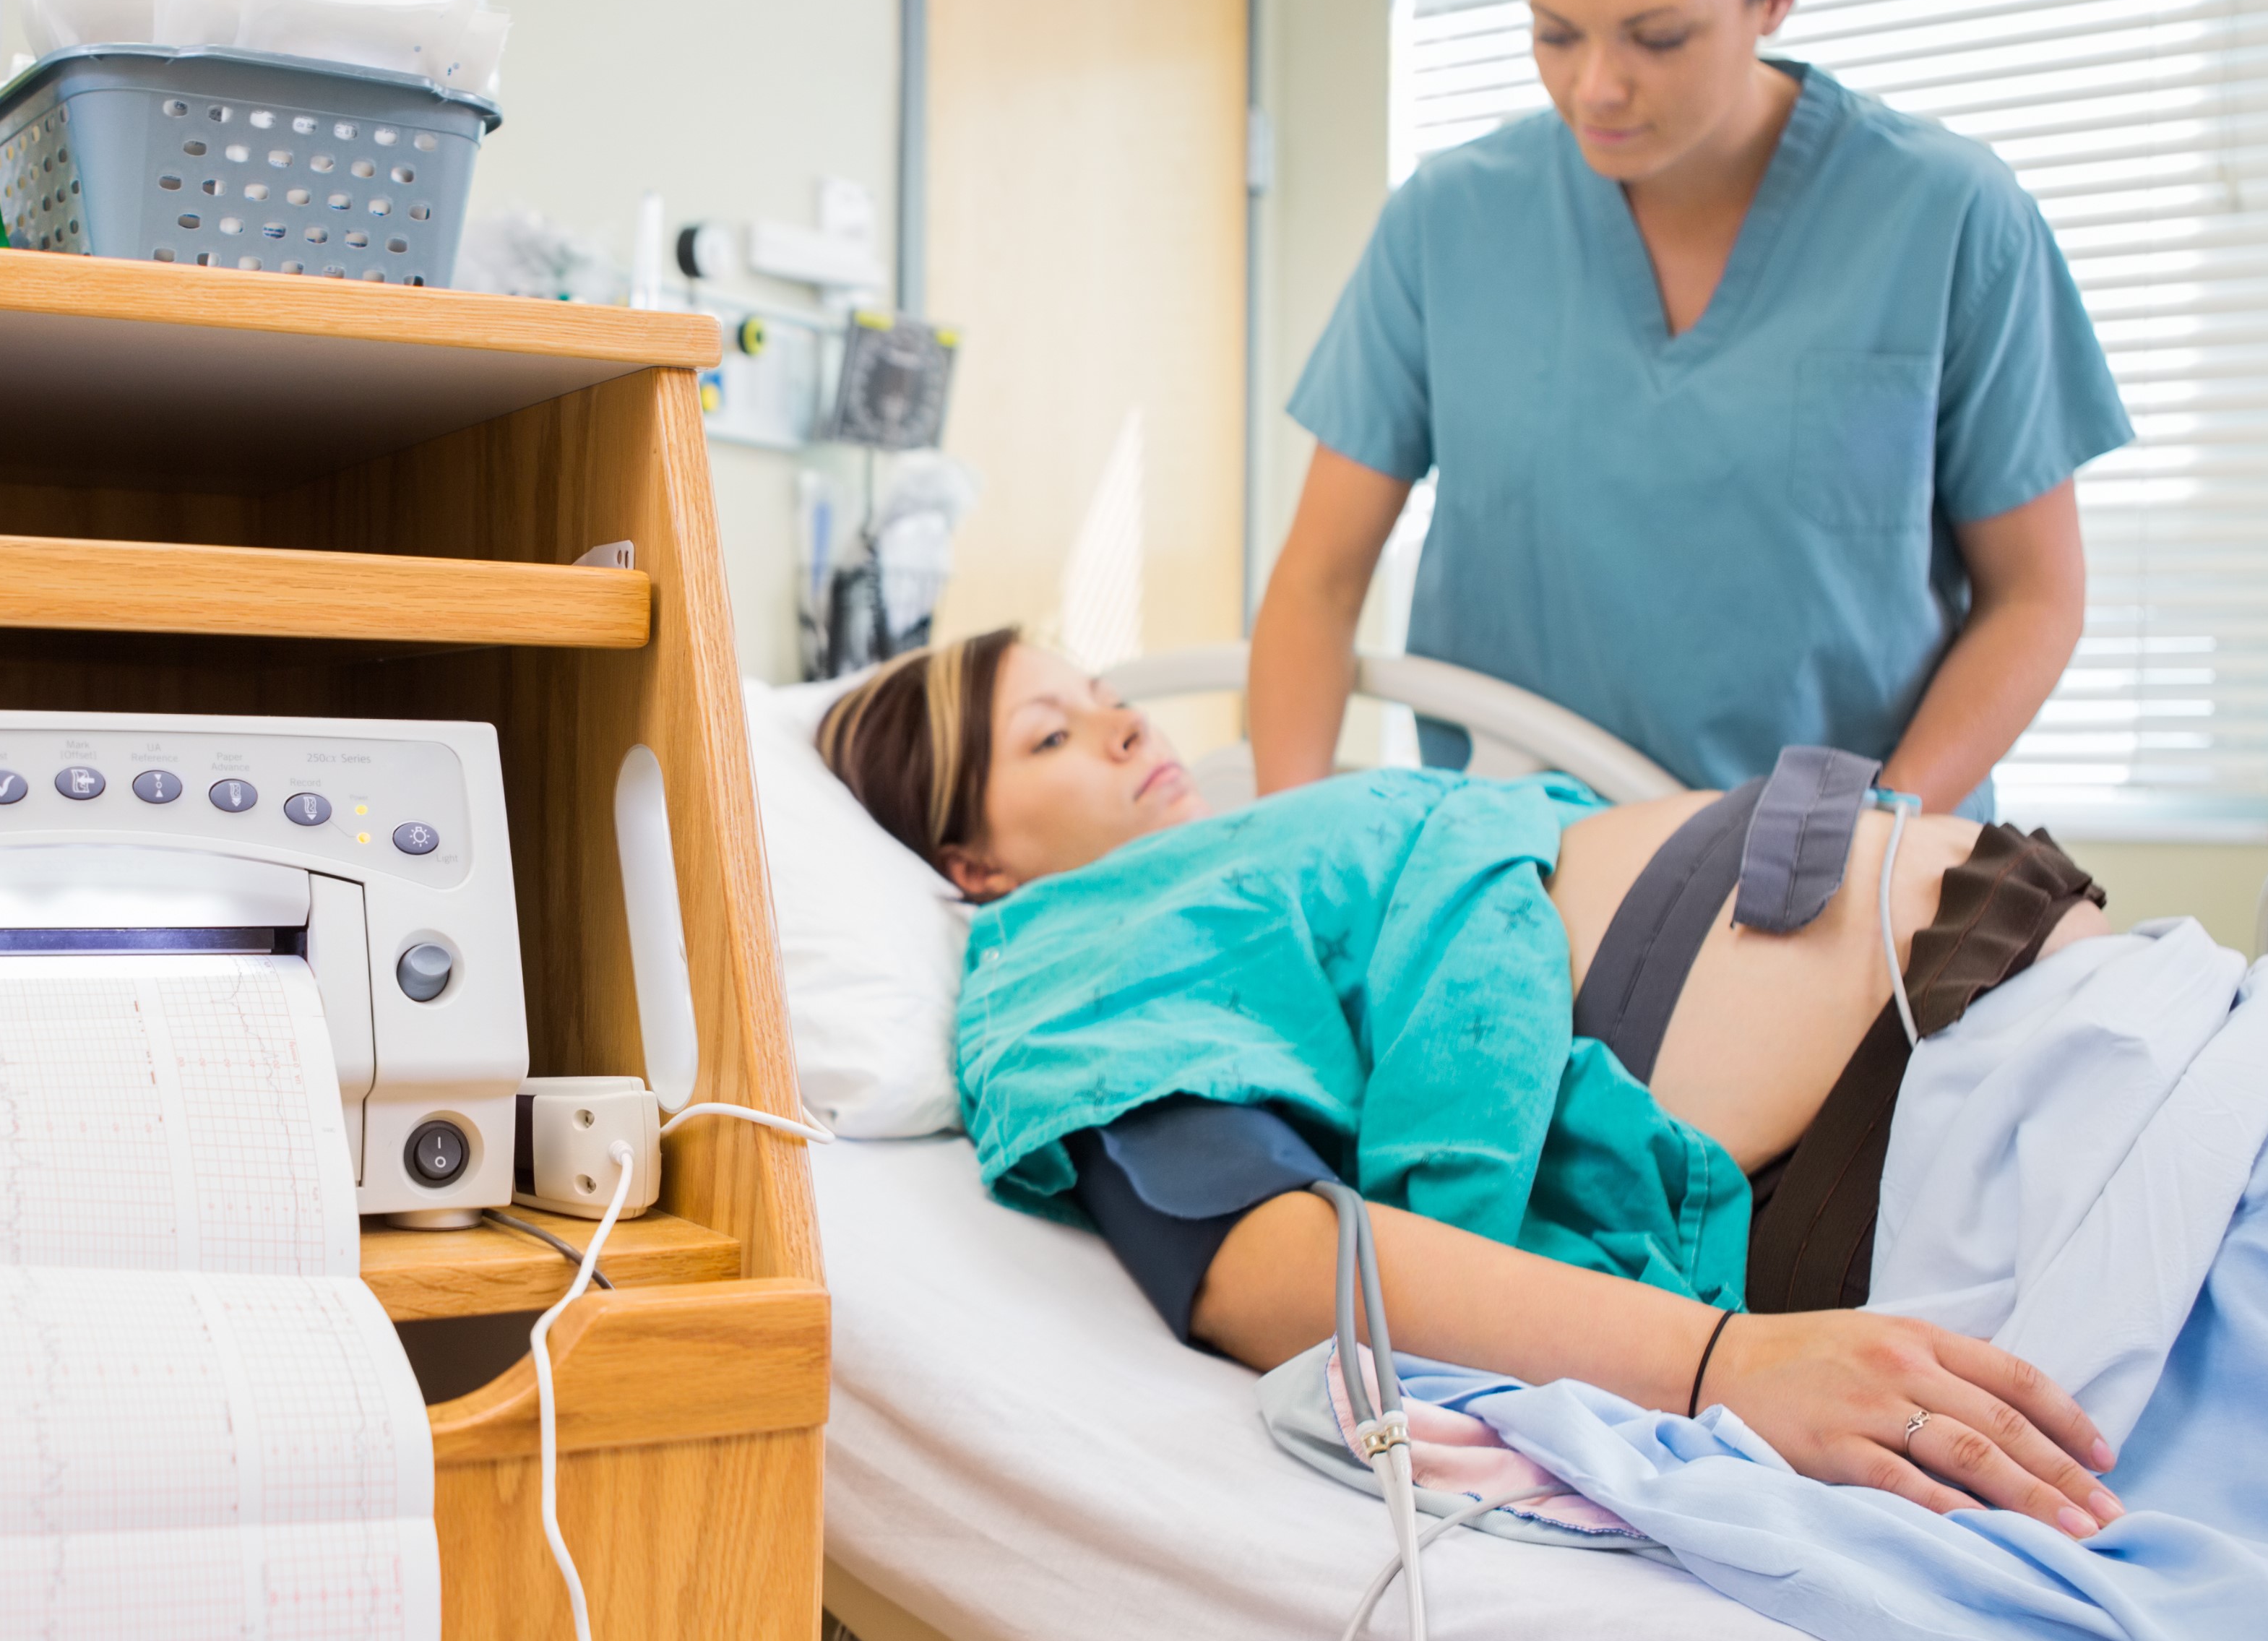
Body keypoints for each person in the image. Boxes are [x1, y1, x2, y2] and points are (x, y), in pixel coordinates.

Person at [816, 627, 2126, 1538]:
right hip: (1875, 1150)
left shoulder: (1247, 856)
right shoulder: (1071, 961)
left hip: (2013, 990)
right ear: (971, 862)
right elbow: (1261, 1255)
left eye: (1102, 692)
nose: (1121, 723)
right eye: (1052, 736)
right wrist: (1725, 1363)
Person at [1248, 0, 2134, 817]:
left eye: (1657, 37)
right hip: (1518, 881)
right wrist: (1288, 847)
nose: (1596, 88)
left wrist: (1867, 838)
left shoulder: (1949, 217)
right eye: (1554, 34)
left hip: (1840, 883)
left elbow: (2036, 597)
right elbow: (1318, 581)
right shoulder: (1449, 221)